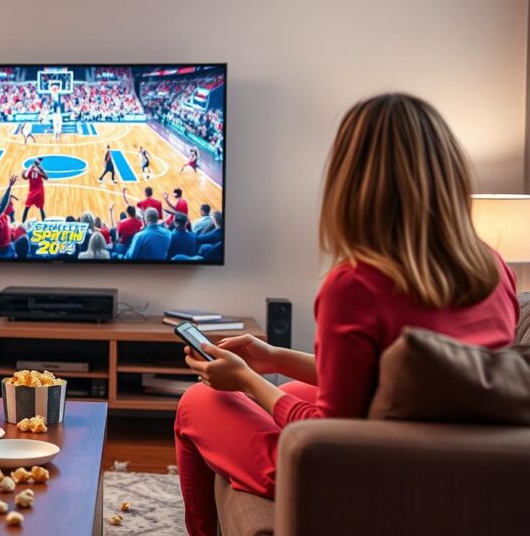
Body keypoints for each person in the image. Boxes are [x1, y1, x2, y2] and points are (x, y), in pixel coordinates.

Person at [174, 93, 519, 536]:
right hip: (451, 464)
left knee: (199, 400)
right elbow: (415, 378)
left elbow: (329, 439)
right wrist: (274, 358)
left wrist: (246, 380)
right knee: (292, 387)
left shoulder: (356, 285)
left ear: (351, 179)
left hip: (361, 476)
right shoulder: (494, 267)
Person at [21, 158, 49, 223]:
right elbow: (46, 177)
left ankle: (22, 223)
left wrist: (23, 173)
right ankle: (44, 223)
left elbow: (25, 177)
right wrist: (42, 170)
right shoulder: (39, 170)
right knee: (41, 208)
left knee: (27, 208)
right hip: (40, 191)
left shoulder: (30, 170)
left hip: (32, 191)